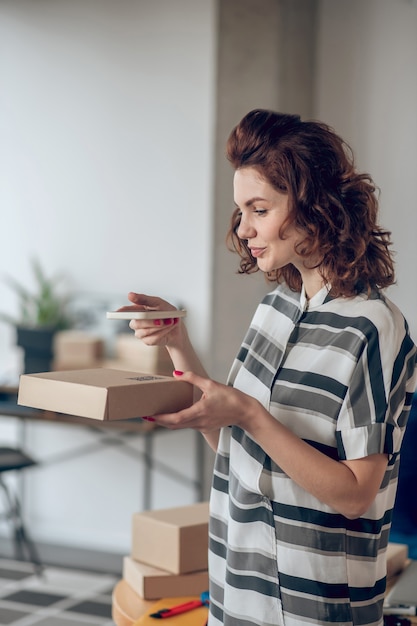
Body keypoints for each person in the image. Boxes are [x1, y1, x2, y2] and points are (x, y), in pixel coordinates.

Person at [120, 109, 417, 626]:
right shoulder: (274, 309)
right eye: (240, 211)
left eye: (259, 209)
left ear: (314, 205)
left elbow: (354, 495)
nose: (245, 228)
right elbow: (236, 450)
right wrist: (176, 342)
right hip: (237, 591)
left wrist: (253, 414)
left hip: (317, 608)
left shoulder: (374, 329)